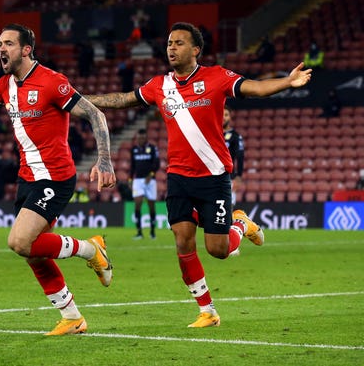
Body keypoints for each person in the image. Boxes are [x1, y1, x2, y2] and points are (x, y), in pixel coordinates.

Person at [84, 22, 312, 328]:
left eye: (179, 43)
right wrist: (80, 101)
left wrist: (287, 82)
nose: (171, 48)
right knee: (183, 241)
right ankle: (207, 311)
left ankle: (240, 225)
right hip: (178, 176)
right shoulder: (158, 85)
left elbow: (254, 88)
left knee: (218, 250)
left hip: (213, 176)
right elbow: (124, 99)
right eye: (169, 43)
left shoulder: (216, 77)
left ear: (195, 50)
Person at [0, 23, 116, 335]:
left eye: (9, 43)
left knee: (19, 241)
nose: (1, 49)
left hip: (55, 177)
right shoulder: (4, 85)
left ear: (26, 49)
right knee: (34, 252)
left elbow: (96, 114)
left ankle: (91, 250)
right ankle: (72, 317)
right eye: (0, 43)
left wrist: (104, 159)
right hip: (27, 178)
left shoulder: (52, 82)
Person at [130, 128, 160, 240]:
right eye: (139, 138)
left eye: (142, 138)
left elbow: (156, 163)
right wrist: (129, 179)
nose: (140, 139)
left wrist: (150, 175)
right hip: (138, 181)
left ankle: (152, 232)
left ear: (145, 138)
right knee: (138, 204)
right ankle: (139, 232)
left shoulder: (152, 148)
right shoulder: (134, 149)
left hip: (150, 180)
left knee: (151, 205)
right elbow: (132, 166)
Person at [223, 105, 244, 205]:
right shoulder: (212, 134)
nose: (223, 117)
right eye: (221, 114)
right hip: (211, 177)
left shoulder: (235, 136)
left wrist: (238, 176)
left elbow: (240, 156)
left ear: (230, 117)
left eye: (226, 115)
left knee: (228, 207)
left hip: (228, 177)